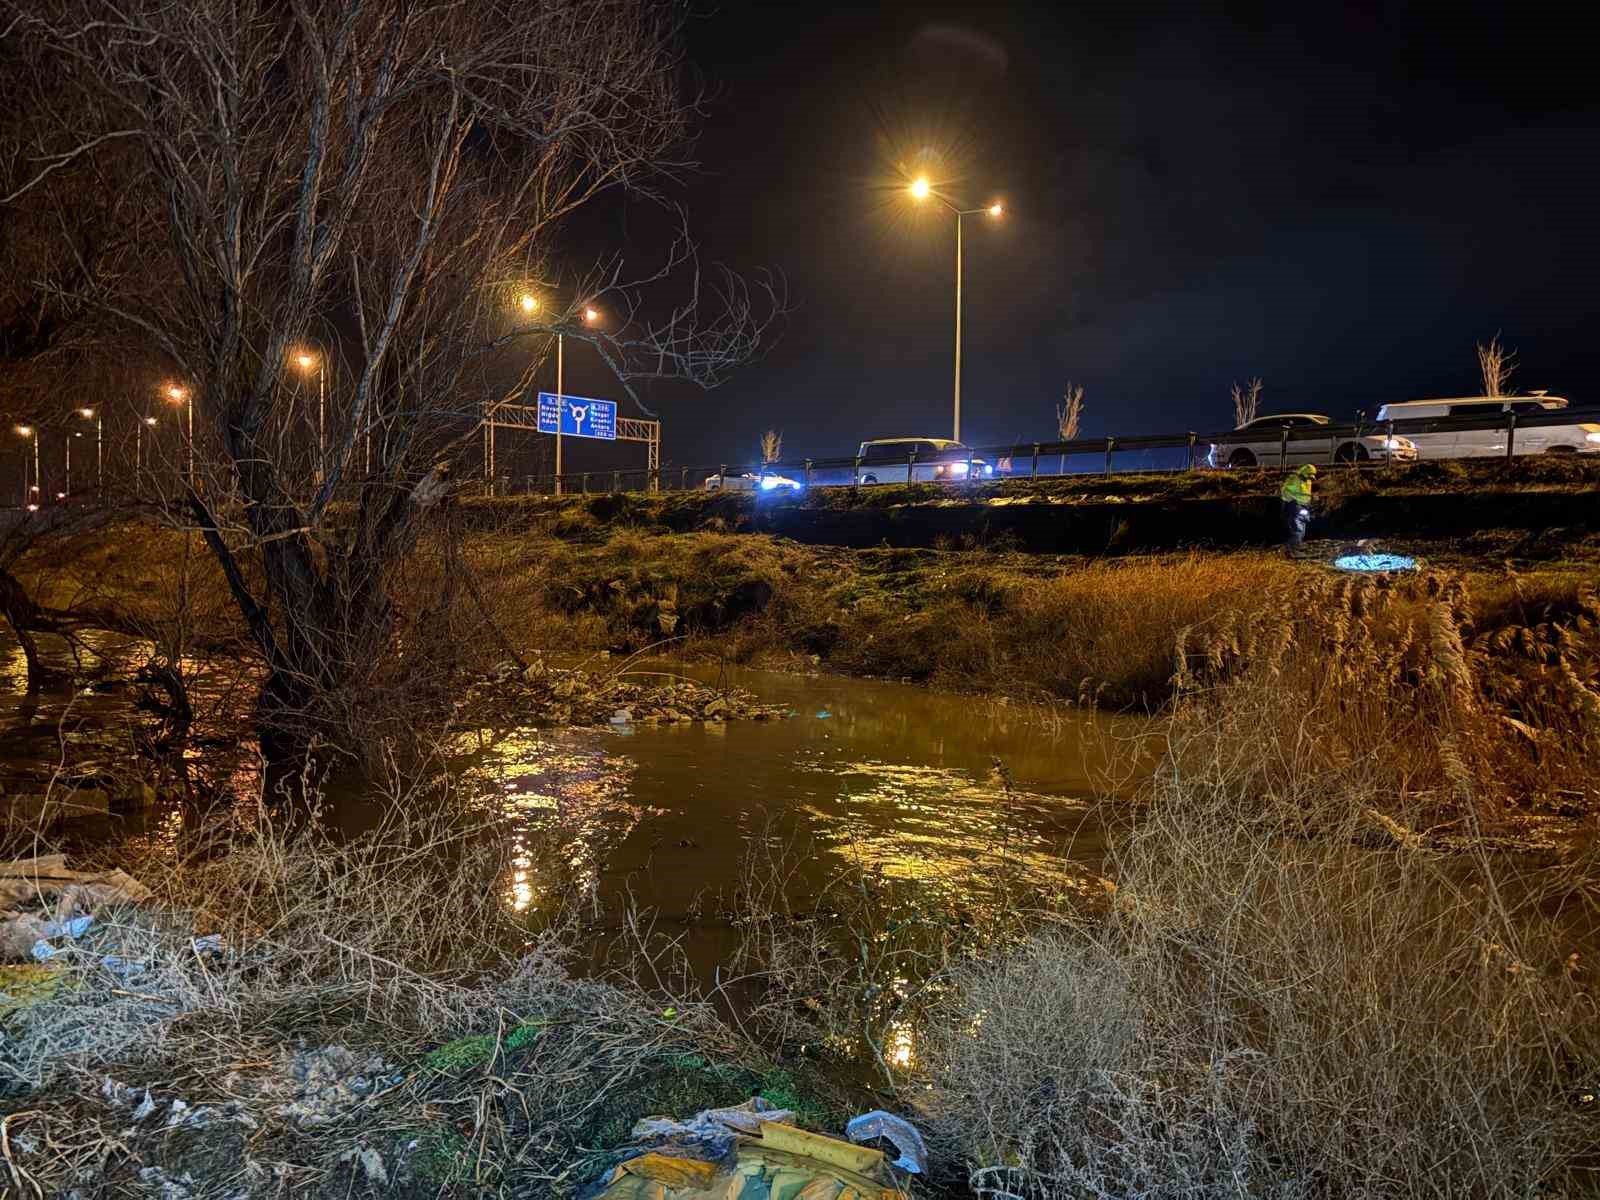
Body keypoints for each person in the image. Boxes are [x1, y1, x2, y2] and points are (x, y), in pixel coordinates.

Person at [1280, 463, 1316, 546]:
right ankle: (1293, 549)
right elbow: (1285, 492)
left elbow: (1306, 493)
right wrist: (1297, 499)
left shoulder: (1307, 481)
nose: (1309, 478)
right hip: (1294, 506)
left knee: (1302, 529)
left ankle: (1296, 547)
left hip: (1303, 507)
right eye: (1309, 475)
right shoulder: (1295, 479)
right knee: (1297, 529)